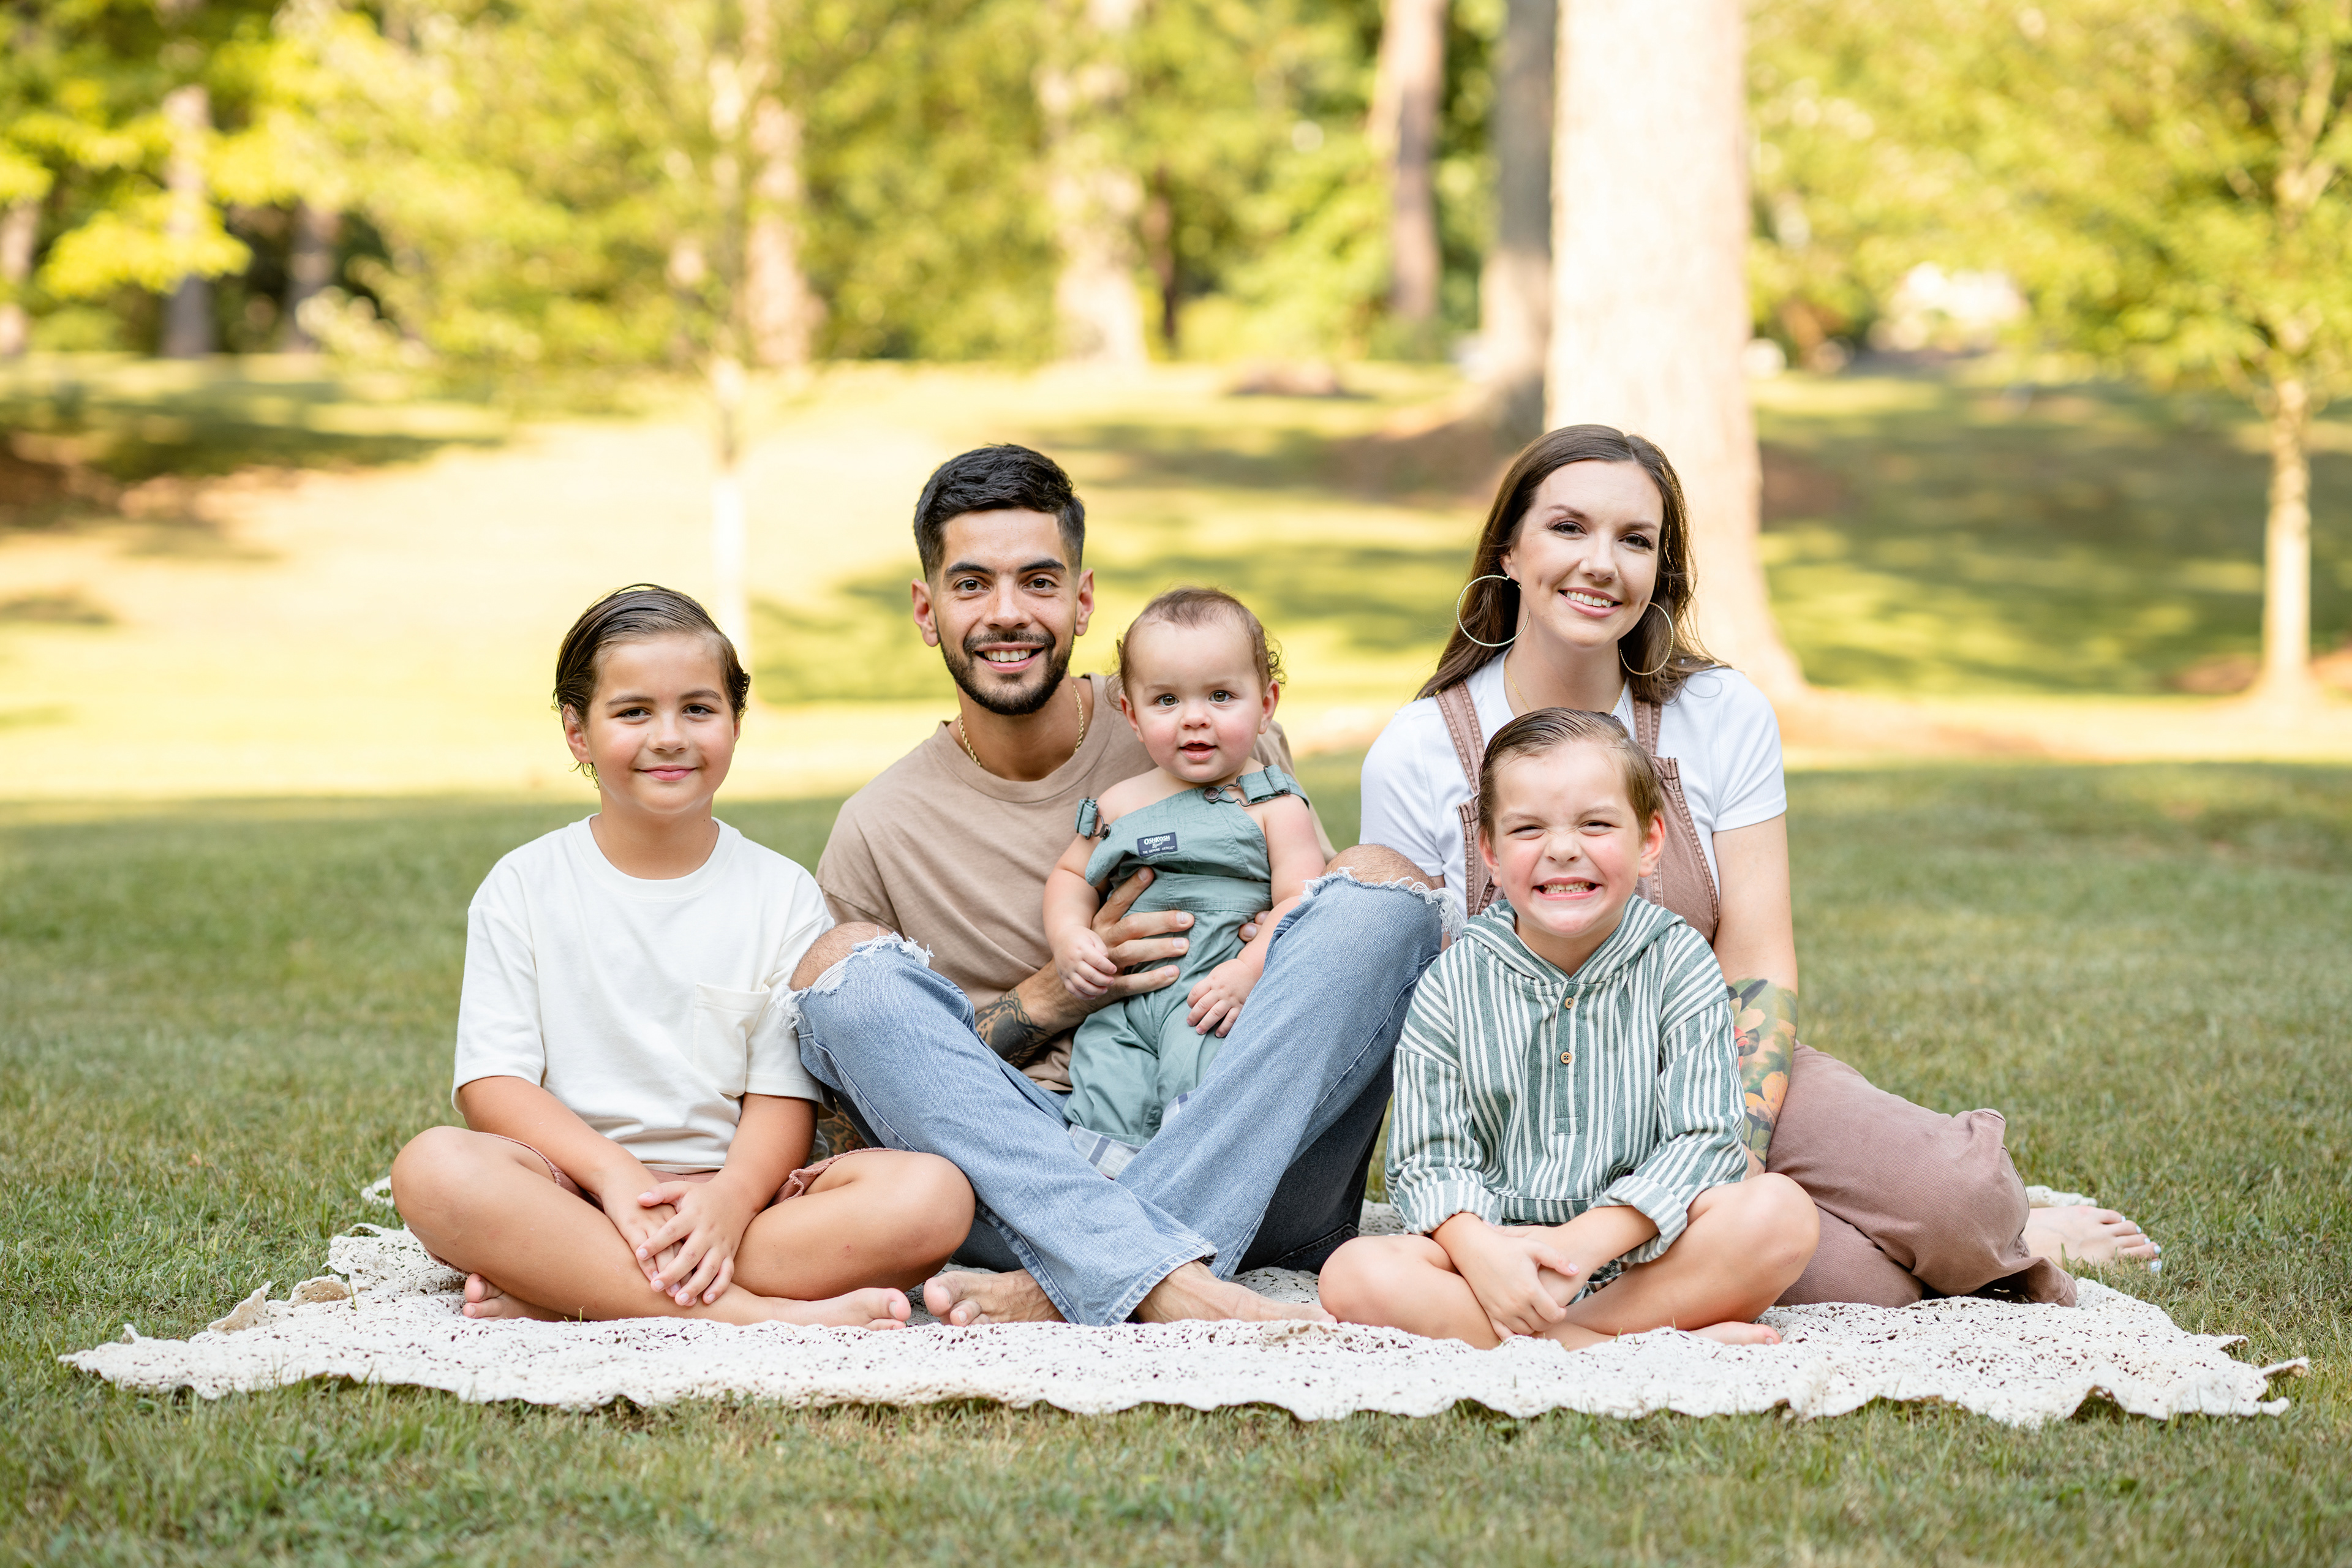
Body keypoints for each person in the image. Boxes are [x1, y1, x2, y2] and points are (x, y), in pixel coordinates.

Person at [1360, 425, 2157, 1309]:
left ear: (1660, 572)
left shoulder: (1719, 713)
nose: (1601, 564)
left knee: (1961, 1199)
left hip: (1720, 1067)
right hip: (1544, 1111)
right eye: (1568, 529)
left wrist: (1734, 1143)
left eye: (1635, 541)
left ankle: (2001, 1230)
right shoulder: (1421, 749)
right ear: (1509, 549)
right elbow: (1422, 986)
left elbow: (1758, 954)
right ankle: (1914, 1249)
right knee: (1855, 1282)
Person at [801, 444, 1447, 1327]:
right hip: (1039, 1177)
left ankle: (1085, 1282)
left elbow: (1318, 976)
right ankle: (1158, 1276)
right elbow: (886, 1101)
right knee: (844, 972)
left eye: (1037, 580)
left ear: (1082, 599)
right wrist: (1052, 995)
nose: (1007, 614)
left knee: (1384, 888)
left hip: (1258, 1155)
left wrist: (1257, 957)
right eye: (971, 584)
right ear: (926, 609)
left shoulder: (1198, 710)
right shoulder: (879, 829)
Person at [390, 586, 974, 1327]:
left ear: (735, 722)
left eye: (698, 709)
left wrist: (728, 1202)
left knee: (934, 1196)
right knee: (435, 1168)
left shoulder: (780, 893)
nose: (670, 736)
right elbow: (492, 1086)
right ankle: (751, 1315)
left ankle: (568, 1286)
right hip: (569, 1191)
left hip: (738, 1204)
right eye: (634, 712)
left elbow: (782, 1097)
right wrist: (614, 1177)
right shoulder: (524, 885)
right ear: (577, 731)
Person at [1321, 708, 1819, 1346]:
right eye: (1529, 828)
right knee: (1354, 1273)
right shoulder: (1454, 979)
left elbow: (1705, 1140)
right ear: (1491, 853)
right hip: (1499, 1253)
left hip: (1644, 1242)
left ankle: (1563, 1338)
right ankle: (1624, 1346)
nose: (1562, 848)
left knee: (1780, 1214)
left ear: (1649, 841)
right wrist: (1482, 1252)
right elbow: (1427, 1160)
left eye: (1596, 823)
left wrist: (1581, 1244)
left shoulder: (1679, 959)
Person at [1047, 587, 1325, 1152]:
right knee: (1105, 1081)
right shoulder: (1118, 803)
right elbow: (1073, 878)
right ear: (1131, 712)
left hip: (1212, 996)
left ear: (1266, 703)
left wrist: (1250, 968)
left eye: (1221, 696)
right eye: (1167, 700)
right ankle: (1104, 1182)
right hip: (1123, 1007)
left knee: (1202, 1083)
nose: (1194, 719)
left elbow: (1302, 901)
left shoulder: (1275, 806)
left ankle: (1189, 1177)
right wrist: (1070, 936)